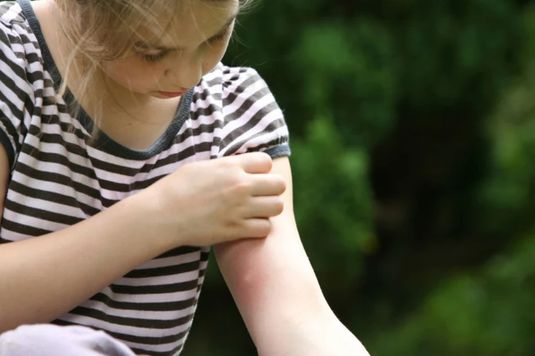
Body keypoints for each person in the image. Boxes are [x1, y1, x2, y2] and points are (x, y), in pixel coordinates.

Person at [0, 0, 369, 355]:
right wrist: (163, 216)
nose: (189, 75)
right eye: (151, 52)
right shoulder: (12, 58)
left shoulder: (234, 115)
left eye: (215, 36)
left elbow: (298, 320)